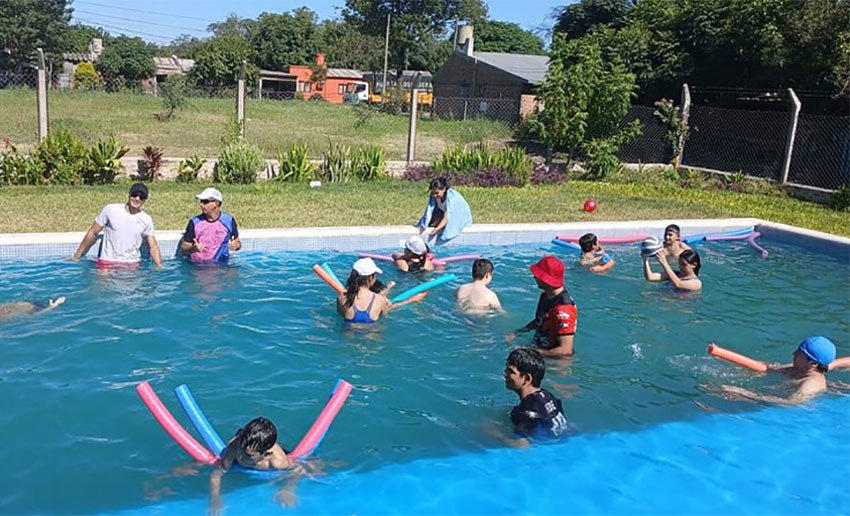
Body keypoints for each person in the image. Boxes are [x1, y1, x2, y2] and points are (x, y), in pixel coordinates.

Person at [209, 417, 307, 512]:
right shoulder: (235, 447)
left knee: (308, 464)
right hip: (248, 441)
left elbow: (299, 470)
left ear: (265, 454)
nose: (241, 456)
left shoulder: (278, 462)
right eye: (241, 450)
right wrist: (215, 498)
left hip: (270, 450)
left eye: (249, 455)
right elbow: (217, 473)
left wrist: (288, 488)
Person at [718, 336, 839, 405]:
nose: (793, 354)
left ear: (813, 364)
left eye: (799, 354)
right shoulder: (797, 368)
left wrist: (743, 394)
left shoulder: (811, 384)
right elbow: (770, 368)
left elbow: (791, 403)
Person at [71, 182, 162, 269]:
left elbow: (153, 245)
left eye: (141, 197)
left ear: (144, 200)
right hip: (107, 262)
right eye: (135, 195)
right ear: (129, 195)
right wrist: (77, 255)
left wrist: (158, 266)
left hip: (131, 264)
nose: (137, 199)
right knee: (102, 283)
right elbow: (93, 232)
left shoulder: (146, 219)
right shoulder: (111, 210)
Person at [508, 256, 577, 356]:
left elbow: (566, 350)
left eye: (539, 275)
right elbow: (540, 320)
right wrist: (518, 332)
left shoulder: (564, 310)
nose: (535, 277)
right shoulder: (546, 295)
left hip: (555, 360)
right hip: (541, 348)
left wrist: (529, 352)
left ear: (547, 279)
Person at [504, 348, 568, 439]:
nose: (505, 373)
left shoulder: (524, 413)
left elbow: (522, 445)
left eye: (510, 371)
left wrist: (496, 433)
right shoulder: (549, 396)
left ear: (527, 378)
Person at [337, 258, 421, 325]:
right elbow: (385, 313)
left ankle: (390, 287)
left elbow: (340, 315)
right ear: (370, 278)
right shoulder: (380, 299)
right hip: (372, 337)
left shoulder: (342, 298)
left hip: (348, 336)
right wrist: (410, 301)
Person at [180, 187, 241, 263]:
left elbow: (237, 242)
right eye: (201, 201)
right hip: (199, 266)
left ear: (216, 203)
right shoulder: (194, 222)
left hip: (221, 264)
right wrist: (193, 248)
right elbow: (184, 247)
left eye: (205, 202)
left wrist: (236, 245)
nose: (201, 205)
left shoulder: (229, 221)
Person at [415, 177, 472, 245]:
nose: (434, 195)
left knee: (439, 225)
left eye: (436, 193)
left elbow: (447, 217)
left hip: (458, 216)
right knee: (432, 223)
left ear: (444, 189)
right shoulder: (434, 196)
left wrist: (437, 229)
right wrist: (424, 225)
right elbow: (429, 211)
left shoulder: (452, 199)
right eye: (433, 193)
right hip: (442, 213)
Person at [0, 297, 66, 322]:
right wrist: (54, 305)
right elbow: (34, 315)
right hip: (29, 307)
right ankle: (54, 305)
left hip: (29, 306)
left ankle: (53, 305)